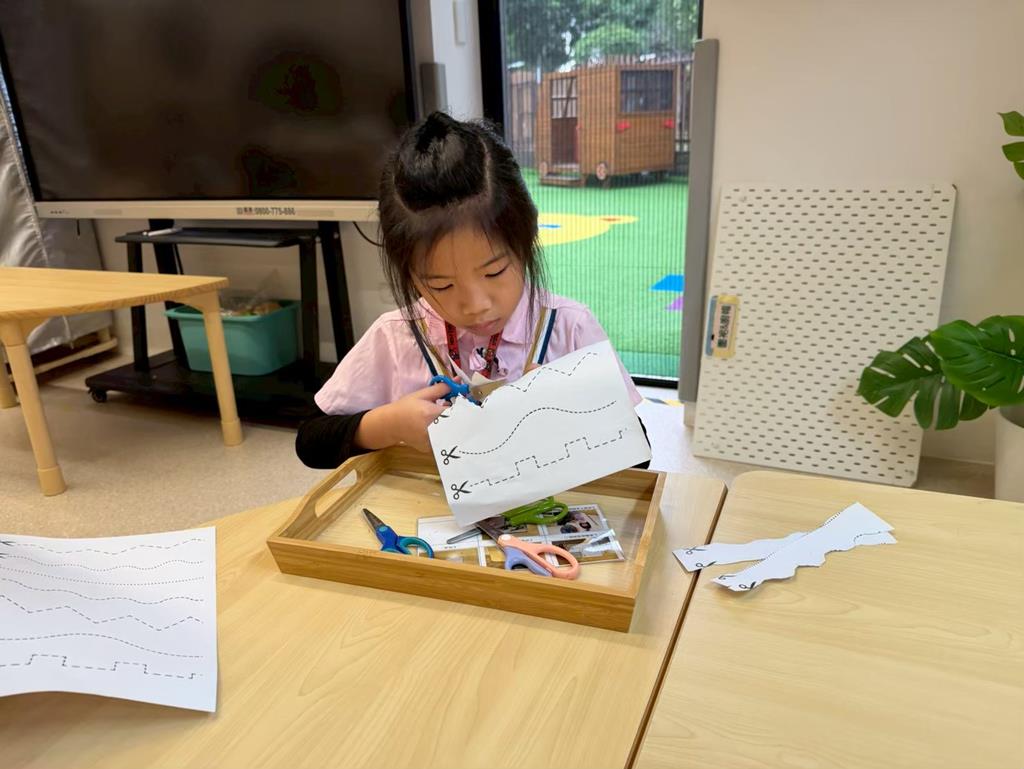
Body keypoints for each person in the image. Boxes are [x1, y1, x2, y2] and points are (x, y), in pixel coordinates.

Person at [296, 111, 646, 469]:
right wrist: (388, 424)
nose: (475, 305)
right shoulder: (397, 335)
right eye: (441, 285)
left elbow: (640, 454)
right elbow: (311, 442)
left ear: (527, 239)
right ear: (408, 274)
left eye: (494, 272)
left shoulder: (569, 328)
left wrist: (563, 418)